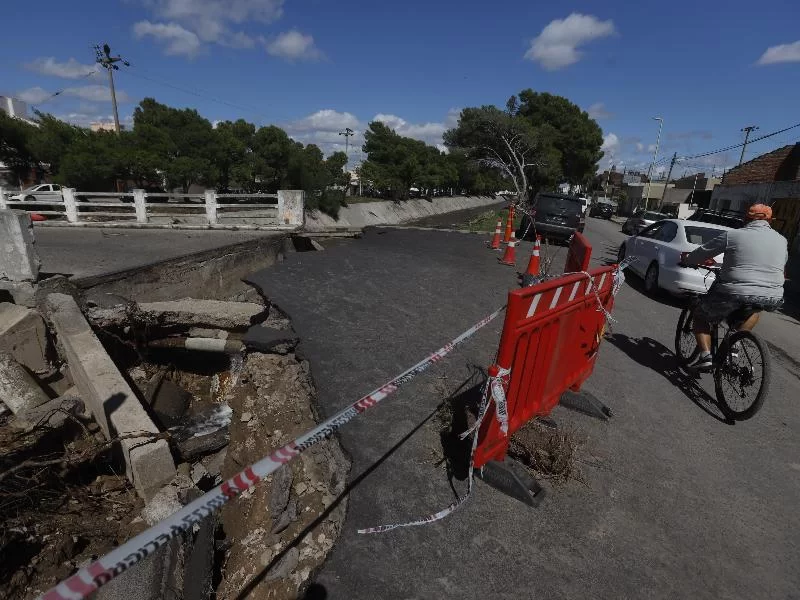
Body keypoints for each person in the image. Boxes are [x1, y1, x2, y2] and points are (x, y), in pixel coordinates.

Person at [682, 204, 787, 370]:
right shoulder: (782, 240)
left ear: (746, 219)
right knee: (753, 310)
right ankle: (734, 343)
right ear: (769, 221)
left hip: (735, 291)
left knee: (700, 315)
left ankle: (706, 357)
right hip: (772, 295)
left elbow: (703, 252)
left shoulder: (734, 235)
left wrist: (688, 259)